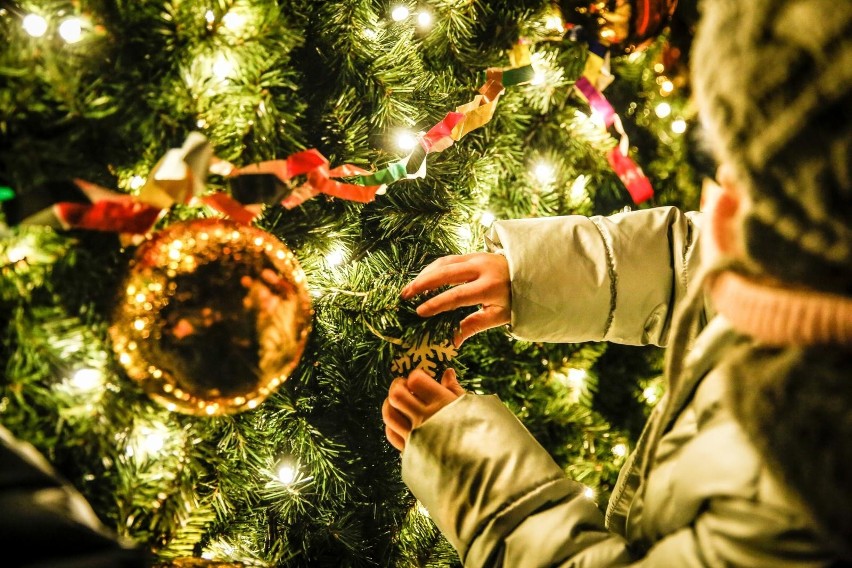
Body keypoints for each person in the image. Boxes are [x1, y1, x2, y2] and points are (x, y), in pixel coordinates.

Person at [382, 0, 852, 565]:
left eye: (743, 180)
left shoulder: (805, 488)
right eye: (715, 158)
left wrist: (475, 474)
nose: (718, 204)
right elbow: (695, 263)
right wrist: (535, 271)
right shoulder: (800, 269)